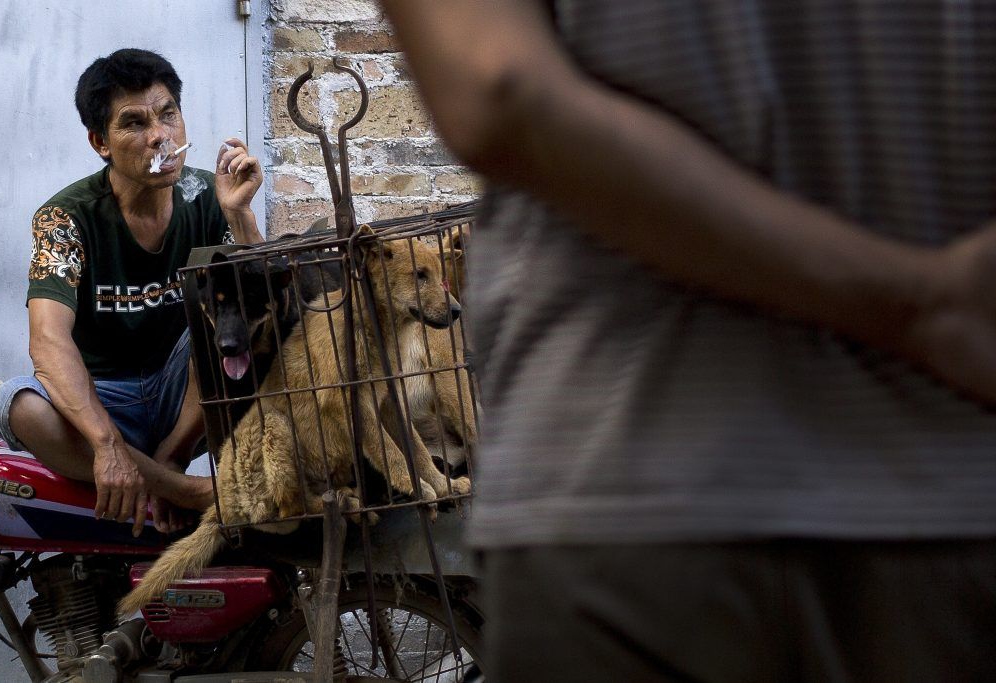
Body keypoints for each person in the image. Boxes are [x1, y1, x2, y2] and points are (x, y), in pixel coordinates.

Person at [380, 1, 996, 680]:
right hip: (946, 474)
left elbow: (497, 84)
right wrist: (926, 305)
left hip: (619, 479)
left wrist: (918, 302)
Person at [0, 48, 263, 538]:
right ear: (101, 143)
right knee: (14, 403)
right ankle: (177, 488)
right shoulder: (66, 217)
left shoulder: (207, 197)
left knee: (226, 327)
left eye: (168, 115)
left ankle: (167, 464)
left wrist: (240, 215)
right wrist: (106, 445)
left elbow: (262, 303)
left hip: (188, 399)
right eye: (134, 124)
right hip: (102, 406)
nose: (160, 136)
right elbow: (48, 342)